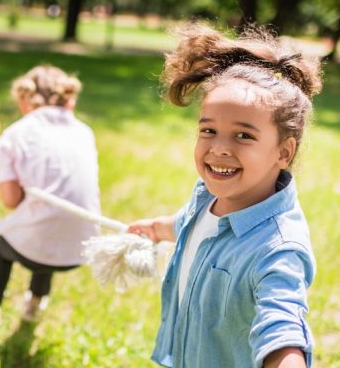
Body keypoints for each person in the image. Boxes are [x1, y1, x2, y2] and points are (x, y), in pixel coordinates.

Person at [128, 24, 322, 367]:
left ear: (283, 152)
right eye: (208, 130)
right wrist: (157, 229)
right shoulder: (208, 198)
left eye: (243, 136)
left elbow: (282, 326)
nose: (219, 148)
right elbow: (192, 224)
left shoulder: (277, 249)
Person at [0, 65, 101, 326]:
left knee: (3, 246)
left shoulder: (15, 134)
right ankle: (35, 303)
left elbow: (10, 201)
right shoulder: (85, 131)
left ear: (24, 99)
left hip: (40, 247)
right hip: (82, 247)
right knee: (49, 219)